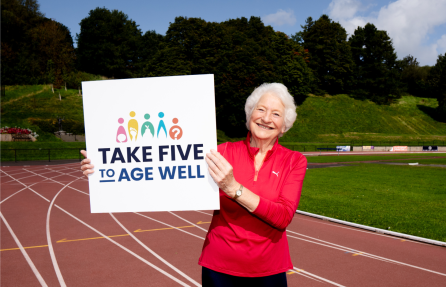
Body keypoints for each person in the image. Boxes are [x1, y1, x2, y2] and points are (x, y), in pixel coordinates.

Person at [80, 83, 307, 287]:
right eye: (261, 109)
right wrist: (102, 168)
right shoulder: (220, 153)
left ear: (284, 126)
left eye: (275, 114)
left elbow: (283, 216)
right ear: (249, 114)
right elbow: (162, 171)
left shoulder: (294, 161)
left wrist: (234, 189)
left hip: (270, 271)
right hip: (219, 268)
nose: (266, 118)